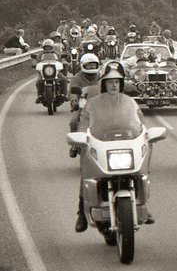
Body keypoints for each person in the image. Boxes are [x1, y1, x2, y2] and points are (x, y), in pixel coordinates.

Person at [74, 63, 149, 232]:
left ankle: (145, 205)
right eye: (110, 82)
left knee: (141, 170)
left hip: (126, 144)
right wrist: (81, 137)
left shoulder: (129, 102)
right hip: (102, 144)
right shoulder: (92, 104)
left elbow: (141, 121)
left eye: (116, 82)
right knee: (88, 172)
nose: (113, 85)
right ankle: (81, 213)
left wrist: (147, 133)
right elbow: (84, 121)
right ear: (103, 84)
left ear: (121, 84)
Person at [68, 53, 101, 157]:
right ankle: (74, 144)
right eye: (89, 65)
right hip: (83, 105)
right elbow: (73, 92)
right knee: (73, 122)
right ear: (83, 65)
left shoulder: (101, 76)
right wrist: (74, 102)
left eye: (93, 65)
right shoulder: (77, 78)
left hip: (100, 104)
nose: (91, 67)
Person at [34, 39, 69, 104]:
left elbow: (61, 59)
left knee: (64, 80)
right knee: (38, 82)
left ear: (52, 47)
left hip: (55, 71)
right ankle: (40, 96)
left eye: (49, 47)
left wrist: (63, 62)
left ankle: (64, 94)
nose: (47, 48)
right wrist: (35, 64)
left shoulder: (56, 53)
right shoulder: (40, 54)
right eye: (46, 47)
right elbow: (36, 61)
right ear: (43, 47)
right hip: (43, 72)